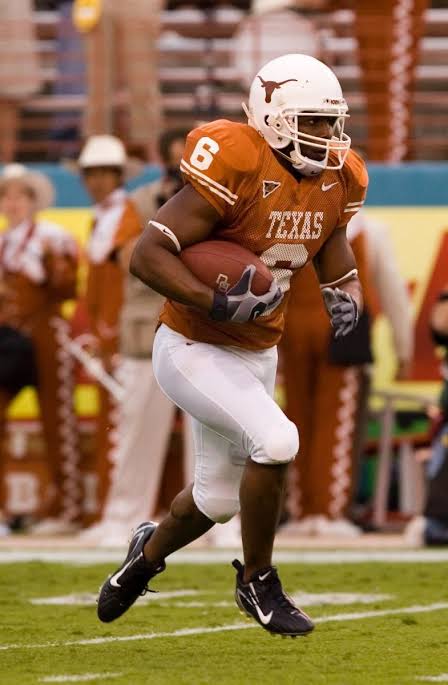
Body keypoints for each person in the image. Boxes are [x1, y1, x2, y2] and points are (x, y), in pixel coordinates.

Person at [97, 53, 367, 638]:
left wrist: (343, 288)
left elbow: (331, 239)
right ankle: (258, 580)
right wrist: (212, 300)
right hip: (193, 345)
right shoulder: (237, 158)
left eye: (330, 122)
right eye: (311, 122)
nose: (325, 135)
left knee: (216, 499)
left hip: (257, 348)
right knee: (277, 440)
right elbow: (148, 254)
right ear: (272, 117)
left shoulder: (339, 177)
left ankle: (143, 559)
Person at [80, 129, 190, 546]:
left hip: (204, 327)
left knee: (212, 432)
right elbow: (129, 258)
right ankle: (125, 514)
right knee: (138, 427)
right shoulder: (143, 202)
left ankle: (219, 521)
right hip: (150, 328)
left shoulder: (223, 200)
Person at [280, 209, 413, 537]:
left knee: (296, 419)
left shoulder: (289, 224)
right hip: (342, 331)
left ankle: (302, 512)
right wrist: (404, 349)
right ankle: (329, 511)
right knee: (338, 423)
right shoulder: (369, 228)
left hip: (292, 334)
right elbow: (393, 291)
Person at [0, 164, 81, 535]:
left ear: (34, 201)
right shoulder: (3, 244)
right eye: (6, 195)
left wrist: (53, 266)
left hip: (47, 333)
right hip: (9, 339)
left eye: (20, 195)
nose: (12, 202)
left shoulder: (53, 237)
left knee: (57, 423)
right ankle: (3, 510)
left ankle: (67, 507)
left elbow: (67, 289)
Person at [79, 135, 142, 516]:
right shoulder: (99, 218)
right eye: (91, 174)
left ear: (118, 176)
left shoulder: (129, 213)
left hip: (121, 333)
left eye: (104, 173)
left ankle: (122, 512)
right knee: (113, 423)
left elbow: (125, 276)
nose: (97, 181)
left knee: (123, 426)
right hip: (107, 332)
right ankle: (111, 509)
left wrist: (111, 331)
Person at [73, 0, 165, 161]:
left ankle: (153, 153)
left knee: (142, 80)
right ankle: (94, 154)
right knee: (98, 83)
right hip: (98, 5)